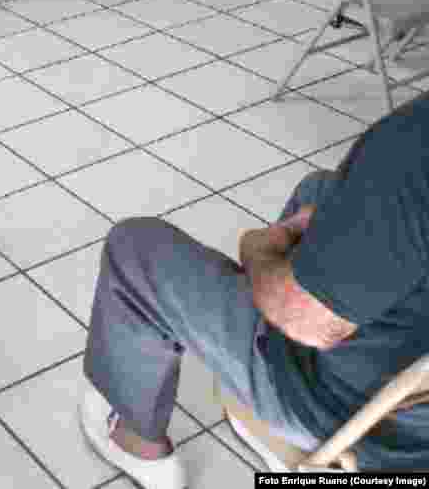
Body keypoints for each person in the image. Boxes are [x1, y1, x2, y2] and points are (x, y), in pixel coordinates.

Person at [79, 95, 429, 484]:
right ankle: (258, 332)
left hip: (365, 422)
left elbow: (316, 326)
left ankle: (138, 443)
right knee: (319, 190)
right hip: (412, 397)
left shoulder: (414, 145)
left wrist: (260, 249)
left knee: (135, 249)